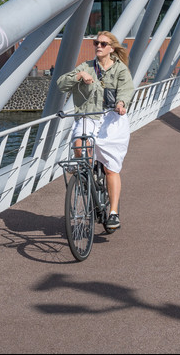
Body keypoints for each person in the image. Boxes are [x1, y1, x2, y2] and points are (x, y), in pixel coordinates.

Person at [58, 31, 134, 232]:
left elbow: (126, 89)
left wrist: (121, 102)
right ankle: (86, 176)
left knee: (110, 168)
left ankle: (113, 212)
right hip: (89, 116)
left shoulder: (120, 70)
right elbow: (61, 84)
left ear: (111, 48)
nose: (98, 46)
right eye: (96, 43)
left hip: (112, 120)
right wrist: (78, 76)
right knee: (79, 146)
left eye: (102, 44)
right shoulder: (86, 66)